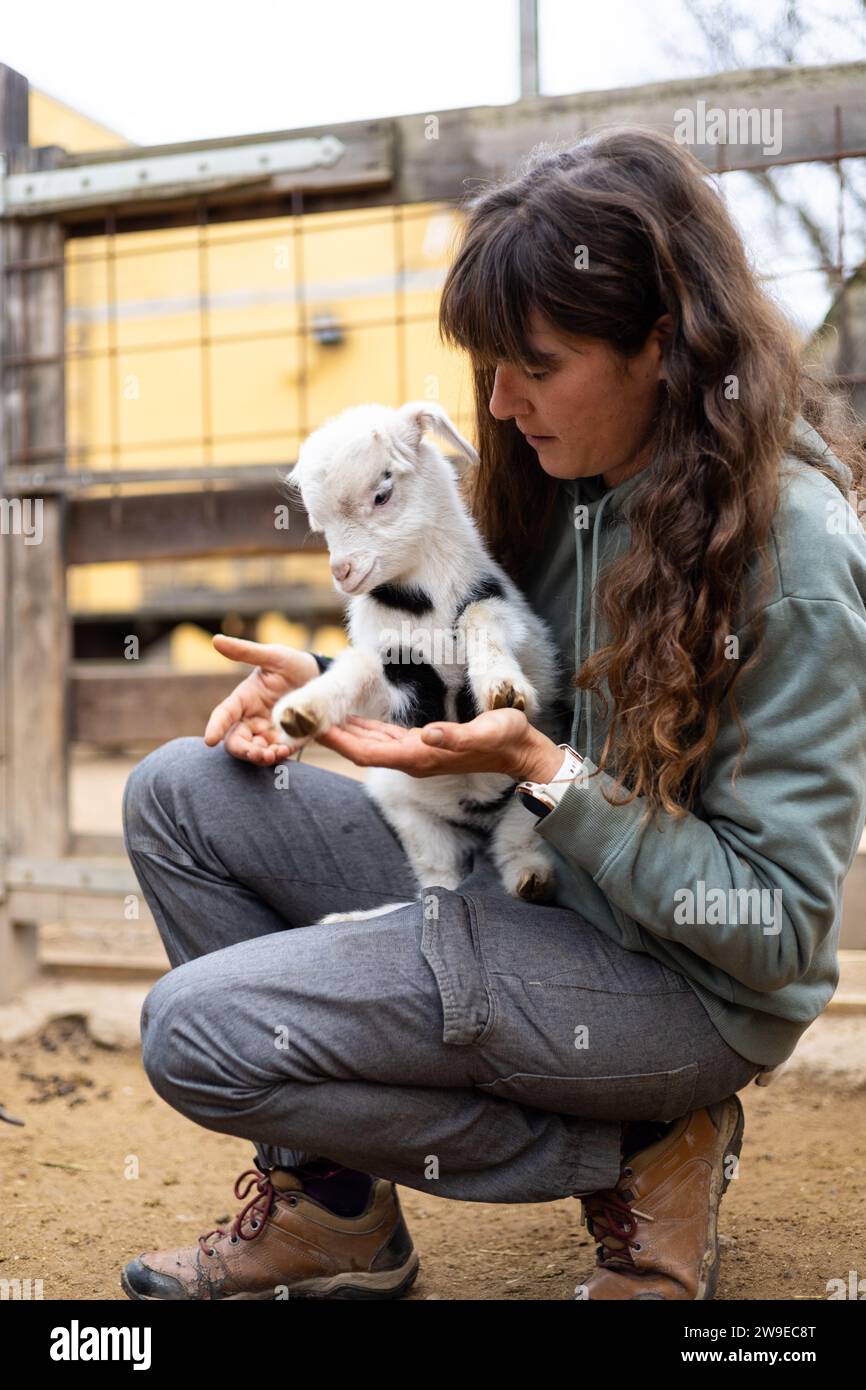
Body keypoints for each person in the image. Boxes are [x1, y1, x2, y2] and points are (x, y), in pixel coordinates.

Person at [119, 125, 866, 1302]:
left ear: (661, 345)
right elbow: (488, 687)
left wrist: (547, 774)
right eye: (487, 366)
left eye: (538, 362)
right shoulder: (561, 480)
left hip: (673, 984)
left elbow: (772, 930)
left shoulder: (800, 559)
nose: (503, 402)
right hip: (517, 873)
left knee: (195, 1034)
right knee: (180, 795)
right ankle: (338, 1212)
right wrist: (324, 693)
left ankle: (642, 1144)